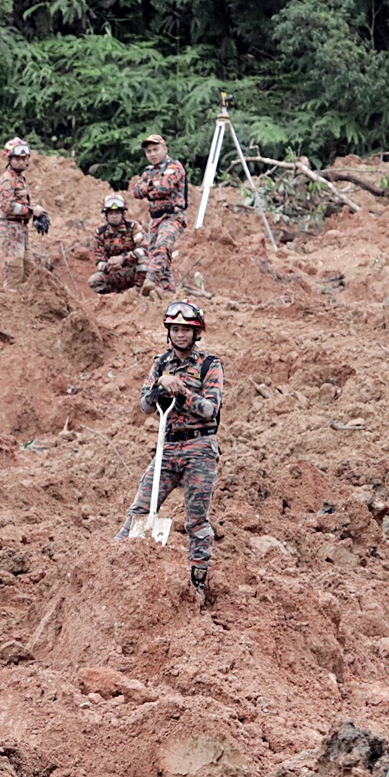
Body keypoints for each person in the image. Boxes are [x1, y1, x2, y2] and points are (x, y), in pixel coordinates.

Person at [116, 301, 224, 605]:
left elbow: (210, 408)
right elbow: (144, 406)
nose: (180, 335)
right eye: (175, 329)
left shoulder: (209, 364)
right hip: (168, 445)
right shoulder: (160, 364)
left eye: (185, 330)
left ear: (196, 333)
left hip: (200, 447)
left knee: (196, 520)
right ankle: (119, 564)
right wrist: (158, 389)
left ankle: (197, 580)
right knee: (139, 508)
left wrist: (182, 391)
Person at [127, 133, 188, 295]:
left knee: (162, 246)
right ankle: (168, 293)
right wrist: (152, 185)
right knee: (155, 255)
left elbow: (164, 187)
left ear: (165, 149)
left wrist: (150, 187)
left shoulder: (174, 166)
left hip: (172, 216)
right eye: (148, 151)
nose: (152, 154)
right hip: (155, 219)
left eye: (155, 149)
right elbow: (136, 191)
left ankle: (151, 280)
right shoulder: (149, 171)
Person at [0, 138, 51, 283]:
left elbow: (20, 202)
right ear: (9, 159)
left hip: (21, 229)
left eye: (23, 158)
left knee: (28, 272)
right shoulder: (7, 179)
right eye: (17, 158)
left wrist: (36, 214)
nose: (21, 162)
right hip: (11, 229)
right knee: (15, 272)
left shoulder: (20, 179)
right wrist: (31, 210)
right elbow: (8, 206)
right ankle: (11, 302)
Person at [88, 194, 149, 295]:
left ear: (123, 214)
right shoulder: (100, 233)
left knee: (144, 262)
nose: (114, 216)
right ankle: (113, 298)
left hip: (132, 270)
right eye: (111, 213)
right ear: (106, 215)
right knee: (94, 281)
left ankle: (138, 293)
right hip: (114, 273)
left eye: (117, 212)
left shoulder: (133, 227)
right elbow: (99, 261)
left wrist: (123, 258)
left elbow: (145, 248)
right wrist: (108, 266)